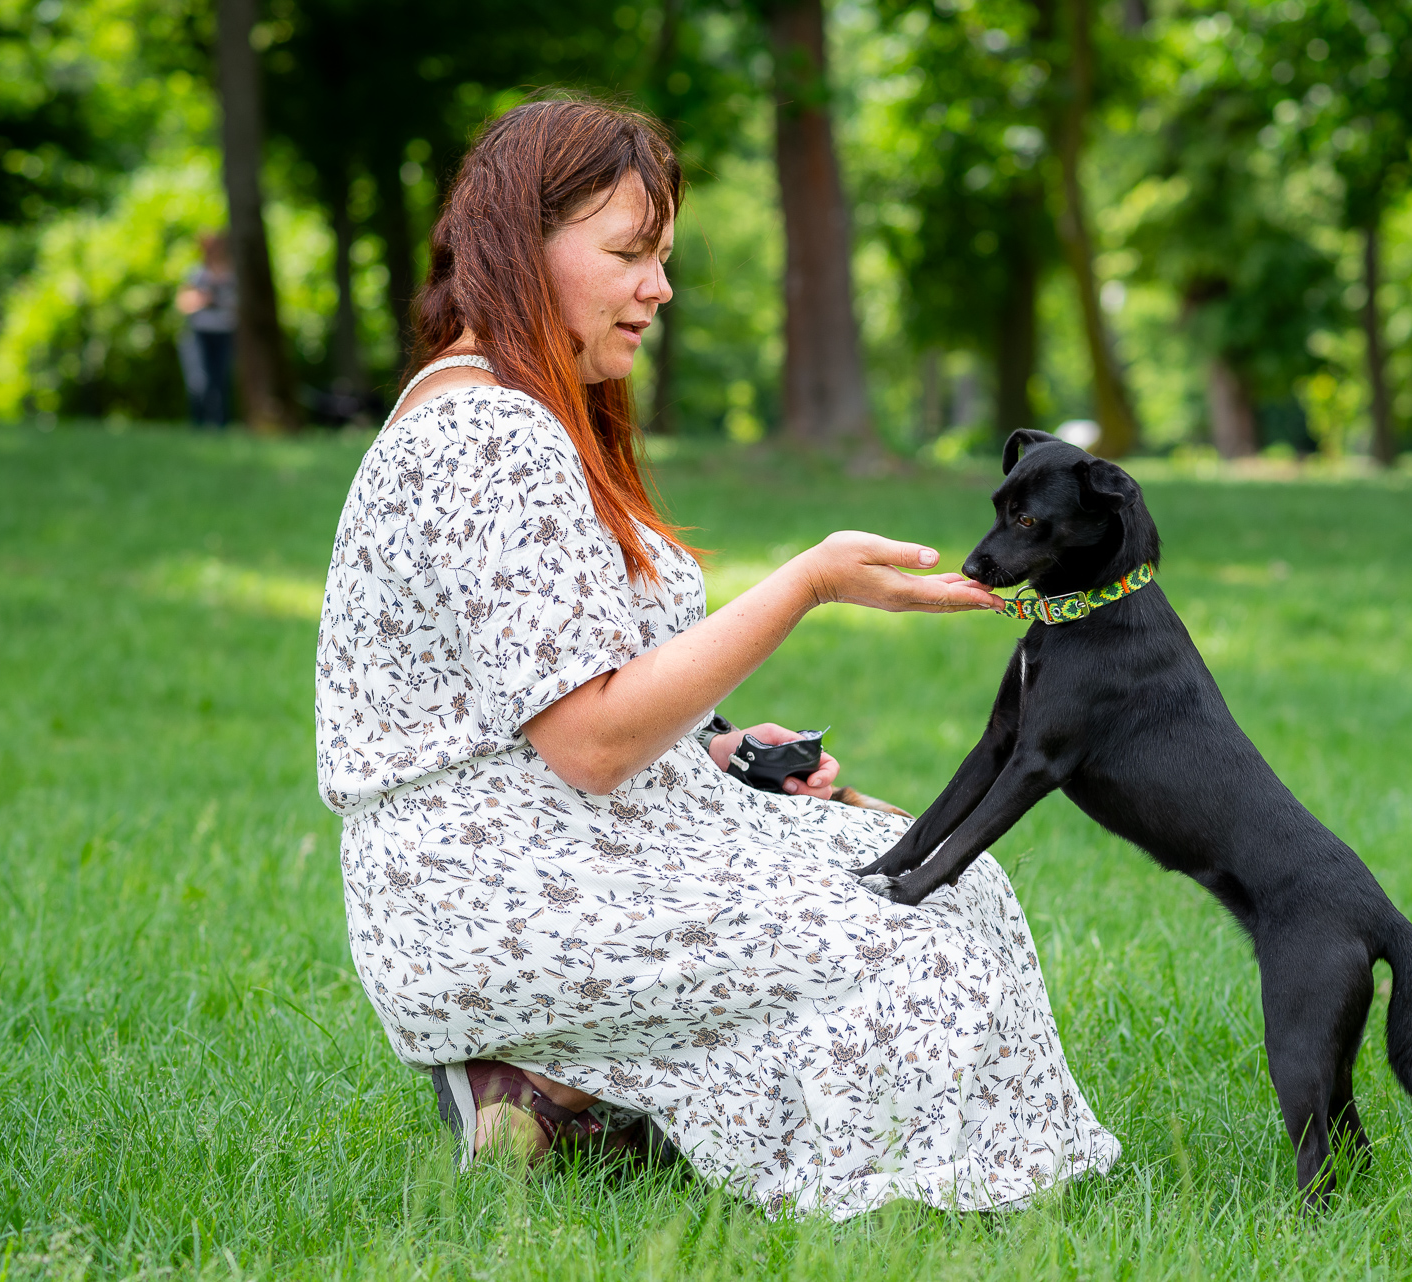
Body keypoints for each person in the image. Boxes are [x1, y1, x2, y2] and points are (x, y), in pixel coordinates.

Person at [314, 97, 1121, 1219]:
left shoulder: (529, 417)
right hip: (495, 887)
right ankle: (582, 1081)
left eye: (663, 257)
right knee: (909, 959)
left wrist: (730, 750)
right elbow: (590, 739)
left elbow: (549, 698)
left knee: (937, 875)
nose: (660, 288)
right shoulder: (484, 436)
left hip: (565, 840)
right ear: (519, 245)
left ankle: (564, 1100)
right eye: (630, 253)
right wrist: (810, 583)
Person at [175, 233, 237, 427]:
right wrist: (205, 299)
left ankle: (220, 425)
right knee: (199, 381)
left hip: (225, 333)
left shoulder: (233, 274)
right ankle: (198, 424)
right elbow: (184, 303)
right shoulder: (196, 274)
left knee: (222, 381)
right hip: (199, 334)